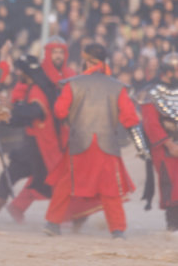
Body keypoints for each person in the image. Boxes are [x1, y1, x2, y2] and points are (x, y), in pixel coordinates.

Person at [43, 43, 150, 238]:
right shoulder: (118, 87)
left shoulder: (72, 83)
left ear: (86, 59)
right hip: (107, 143)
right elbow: (131, 120)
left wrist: (72, 119)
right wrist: (142, 147)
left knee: (67, 183)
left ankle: (52, 223)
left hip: (79, 141)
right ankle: (117, 230)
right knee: (111, 187)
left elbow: (60, 111)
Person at [0, 55, 62, 227]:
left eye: (20, 70)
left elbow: (34, 111)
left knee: (10, 177)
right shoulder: (36, 87)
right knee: (20, 179)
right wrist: (6, 115)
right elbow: (24, 118)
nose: (18, 73)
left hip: (39, 147)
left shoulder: (38, 90)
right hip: (35, 146)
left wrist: (11, 110)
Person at [140, 53, 178, 231]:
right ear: (168, 71)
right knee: (170, 183)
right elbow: (151, 124)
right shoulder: (151, 92)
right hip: (164, 147)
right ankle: (173, 226)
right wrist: (169, 144)